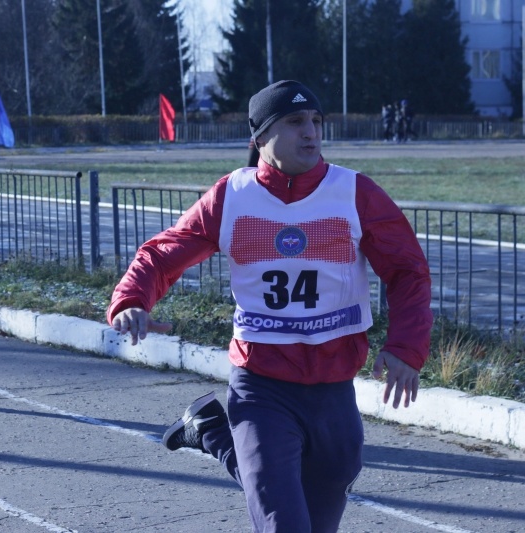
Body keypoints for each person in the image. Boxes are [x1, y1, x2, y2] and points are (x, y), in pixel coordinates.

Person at [107, 80, 432, 532]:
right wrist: (132, 298)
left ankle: (214, 434)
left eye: (316, 121)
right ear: (260, 137)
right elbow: (164, 251)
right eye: (295, 122)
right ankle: (226, 433)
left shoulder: (355, 192)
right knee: (285, 522)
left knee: (313, 517)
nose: (311, 132)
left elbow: (407, 271)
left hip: (334, 390)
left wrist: (405, 346)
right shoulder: (231, 196)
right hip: (261, 388)